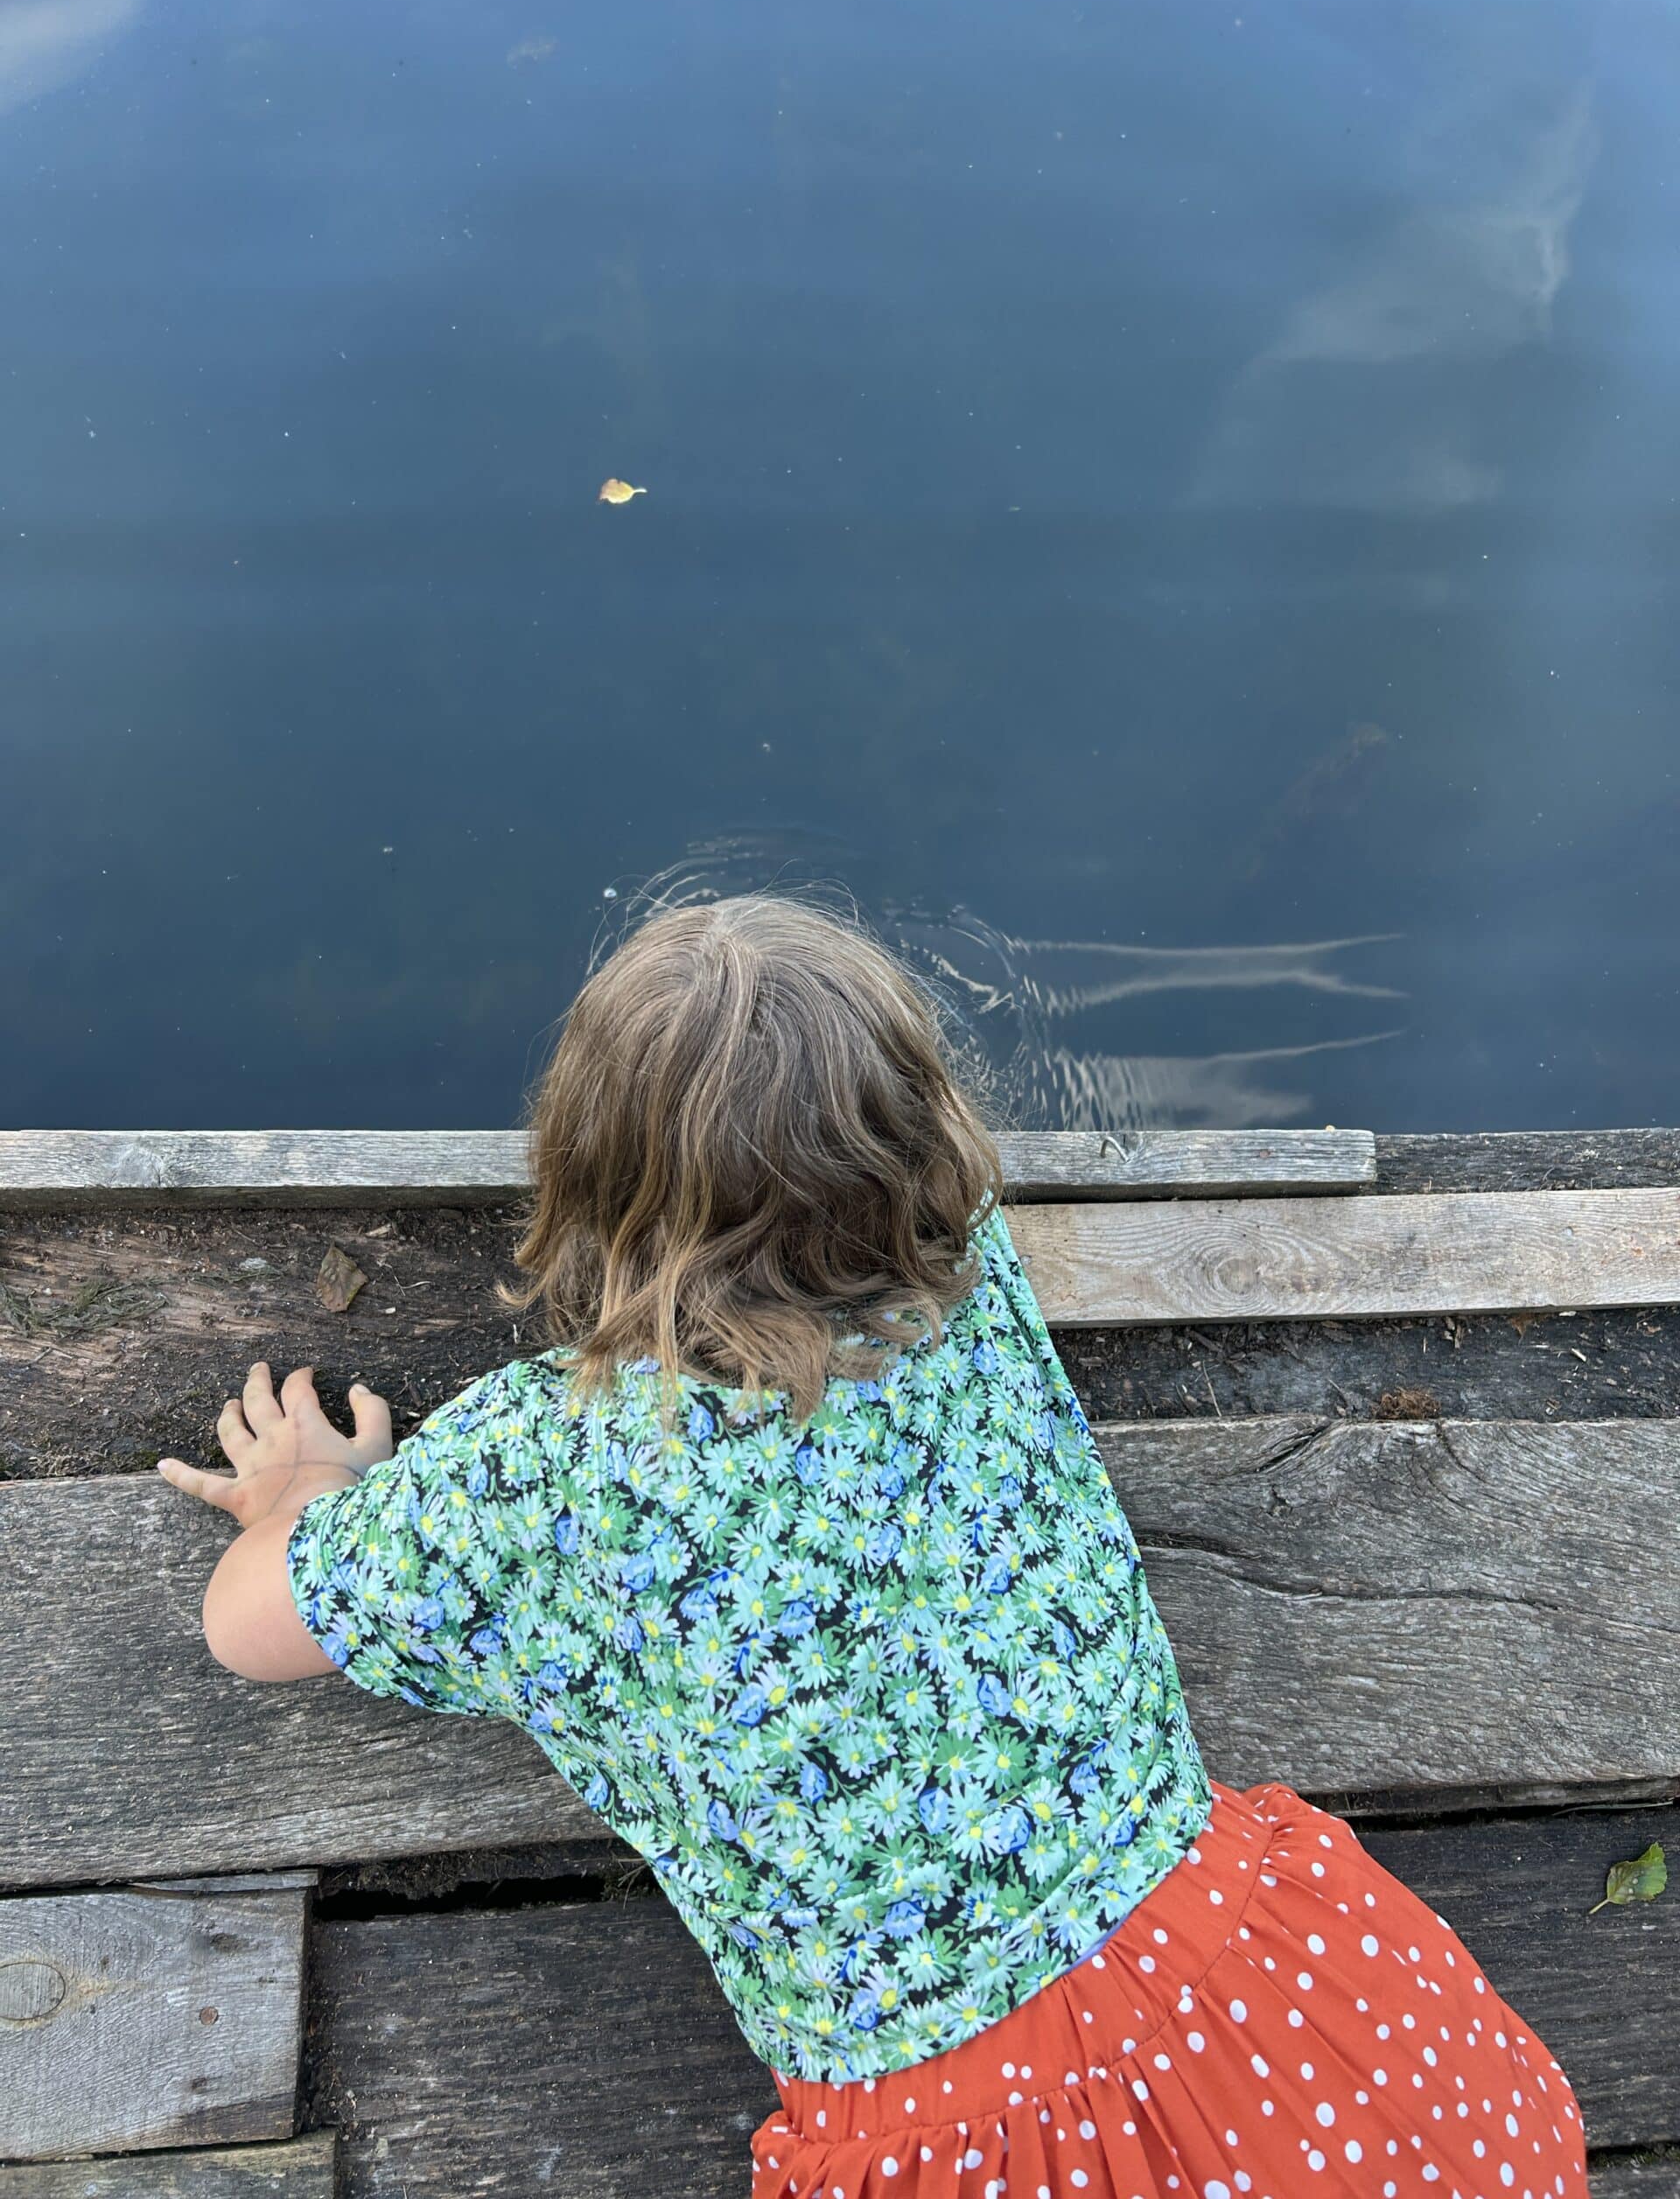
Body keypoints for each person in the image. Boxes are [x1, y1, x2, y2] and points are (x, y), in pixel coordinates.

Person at [158, 894, 1588, 2199]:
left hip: (973, 2144)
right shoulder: (964, 1273)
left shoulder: (540, 1478)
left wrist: (304, 1496)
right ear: (927, 1146)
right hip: (1278, 2006)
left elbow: (247, 1628)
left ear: (586, 1180)